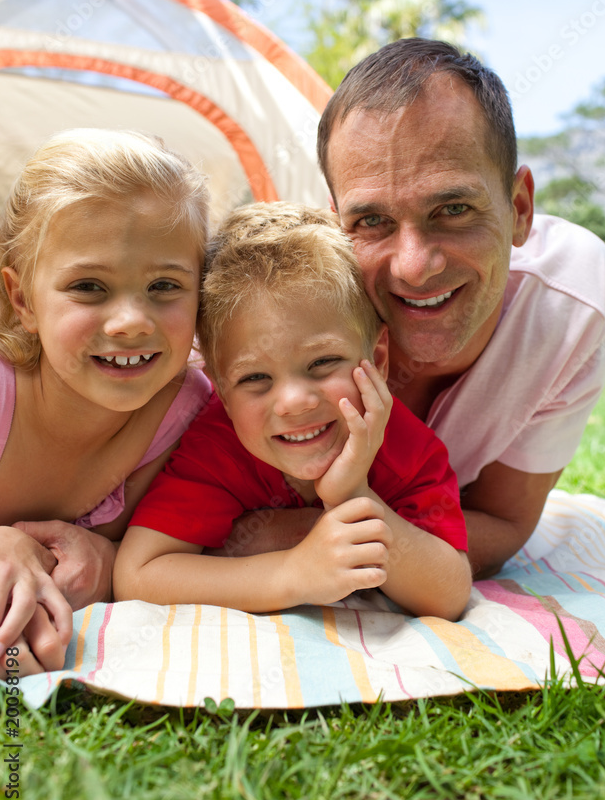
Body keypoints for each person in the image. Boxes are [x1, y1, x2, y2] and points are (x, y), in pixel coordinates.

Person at [315, 38, 605, 578]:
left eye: (453, 209)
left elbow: (501, 522)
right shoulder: (291, 304)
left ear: (519, 209)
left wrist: (303, 538)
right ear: (334, 224)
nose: (414, 267)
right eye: (371, 221)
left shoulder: (571, 304)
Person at [113, 204, 471, 619]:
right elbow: (138, 575)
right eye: (254, 378)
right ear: (221, 392)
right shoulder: (219, 448)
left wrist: (351, 495)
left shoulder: (406, 450)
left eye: (322, 363)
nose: (294, 402)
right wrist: (292, 574)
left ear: (377, 359)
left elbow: (447, 594)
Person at [0, 128, 212, 675]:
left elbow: (161, 547)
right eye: (89, 286)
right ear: (23, 300)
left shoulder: (181, 410)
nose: (131, 321)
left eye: (164, 286)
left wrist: (104, 559)